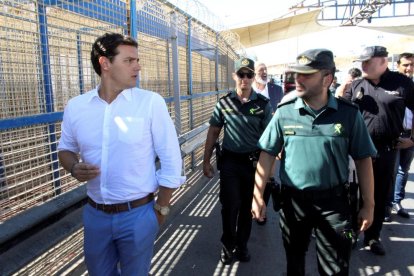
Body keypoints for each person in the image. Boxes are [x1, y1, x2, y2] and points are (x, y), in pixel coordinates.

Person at [57, 33, 185, 275]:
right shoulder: (77, 107)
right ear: (105, 64)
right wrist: (73, 167)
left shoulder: (149, 103)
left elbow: (171, 157)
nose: (137, 66)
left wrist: (162, 208)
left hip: (138, 215)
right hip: (95, 215)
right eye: (129, 61)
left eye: (137, 60)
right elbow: (65, 149)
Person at [252, 48, 376, 275]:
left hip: (335, 205)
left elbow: (363, 159)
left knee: (335, 268)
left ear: (327, 78)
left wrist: (369, 205)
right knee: (294, 262)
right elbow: (267, 153)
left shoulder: (349, 114)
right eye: (297, 73)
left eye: (306, 74)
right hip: (294, 204)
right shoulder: (284, 112)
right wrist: (258, 196)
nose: (298, 79)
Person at [344, 46, 414, 255]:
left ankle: (373, 237)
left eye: (368, 61)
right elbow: (342, 114)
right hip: (357, 153)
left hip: (386, 150)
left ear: (383, 61)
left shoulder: (402, 83)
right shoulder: (356, 85)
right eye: (362, 61)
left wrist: (412, 138)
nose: (363, 65)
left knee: (380, 195)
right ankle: (353, 233)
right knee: (354, 196)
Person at [203, 57, 272, 265]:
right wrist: (206, 161)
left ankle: (242, 245)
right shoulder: (224, 102)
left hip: (253, 164)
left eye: (249, 75)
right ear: (234, 76)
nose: (244, 78)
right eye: (241, 74)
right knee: (230, 205)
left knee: (247, 207)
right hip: (230, 163)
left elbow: (270, 140)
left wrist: (268, 173)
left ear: (253, 77)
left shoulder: (263, 105)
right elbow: (213, 131)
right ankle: (227, 244)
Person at [252, 62, 284, 225]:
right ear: (254, 73)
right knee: (254, 176)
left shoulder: (277, 90)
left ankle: (261, 212)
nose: (264, 73)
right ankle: (254, 204)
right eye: (261, 70)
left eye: (266, 70)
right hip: (253, 141)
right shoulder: (249, 91)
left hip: (272, 143)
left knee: (269, 177)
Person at [387, 52, 414, 220]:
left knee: (404, 170)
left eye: (412, 64)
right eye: (405, 65)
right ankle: (387, 205)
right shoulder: (392, 84)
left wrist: (412, 138)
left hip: (410, 135)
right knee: (391, 171)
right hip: (394, 135)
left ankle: (398, 202)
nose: (409, 68)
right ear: (398, 65)